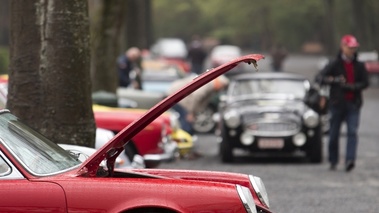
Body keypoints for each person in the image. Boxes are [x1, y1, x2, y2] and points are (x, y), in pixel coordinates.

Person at [315, 34, 369, 172]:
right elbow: (320, 78)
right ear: (343, 47)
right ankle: (333, 160)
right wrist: (334, 80)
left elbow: (365, 82)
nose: (352, 50)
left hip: (353, 103)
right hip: (337, 103)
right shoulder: (334, 63)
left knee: (352, 132)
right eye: (350, 47)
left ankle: (350, 160)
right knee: (333, 134)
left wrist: (353, 87)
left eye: (354, 48)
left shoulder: (359, 65)